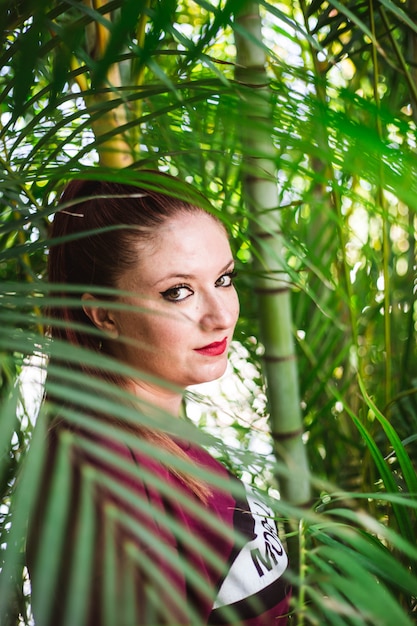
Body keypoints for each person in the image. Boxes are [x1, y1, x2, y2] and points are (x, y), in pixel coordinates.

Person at [28, 173, 291, 625]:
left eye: (224, 279)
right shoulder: (107, 475)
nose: (221, 315)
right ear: (105, 314)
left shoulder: (152, 435)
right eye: (178, 291)